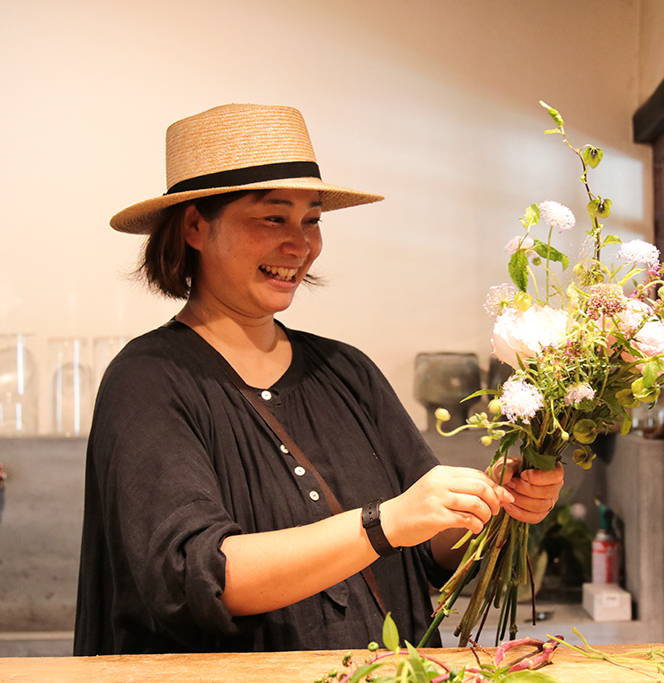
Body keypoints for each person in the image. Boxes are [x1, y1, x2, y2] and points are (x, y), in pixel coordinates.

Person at [73, 104, 565, 655]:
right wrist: (385, 523)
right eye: (272, 217)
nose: (300, 244)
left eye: (312, 219)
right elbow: (194, 575)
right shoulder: (148, 381)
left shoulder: (345, 371)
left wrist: (489, 501)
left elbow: (431, 550)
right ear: (194, 226)